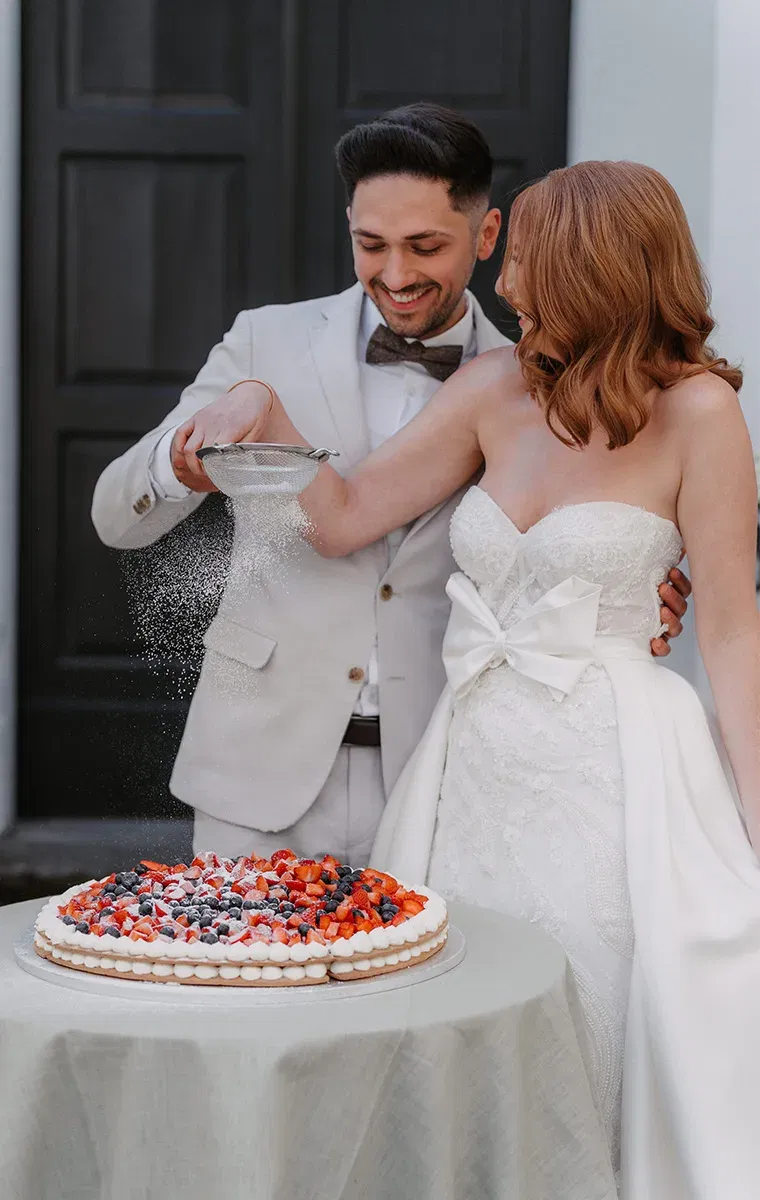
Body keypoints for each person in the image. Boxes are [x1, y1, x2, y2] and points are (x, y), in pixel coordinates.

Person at [234, 161, 760, 1197]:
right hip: (471, 765)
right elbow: (340, 517)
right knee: (454, 1004)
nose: (507, 282)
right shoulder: (489, 390)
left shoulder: (700, 414)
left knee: (600, 1003)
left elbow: (736, 635)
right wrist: (261, 414)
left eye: (523, 257)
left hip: (618, 769)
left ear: (593, 265)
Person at [91, 104, 689, 867]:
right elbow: (116, 514)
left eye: (425, 247)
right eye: (370, 245)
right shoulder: (263, 343)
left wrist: (639, 587)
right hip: (254, 774)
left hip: (447, 777)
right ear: (348, 225)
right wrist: (177, 464)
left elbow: (591, 533)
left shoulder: (533, 384)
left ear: (488, 234)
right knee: (241, 980)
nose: (397, 275)